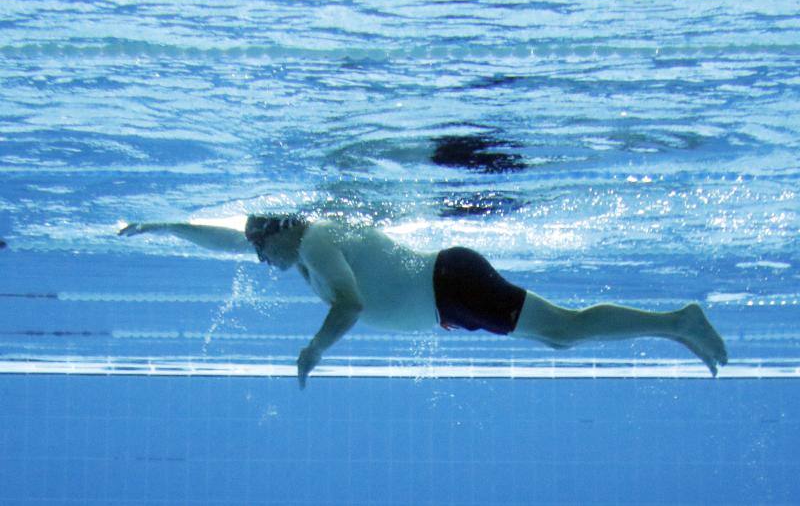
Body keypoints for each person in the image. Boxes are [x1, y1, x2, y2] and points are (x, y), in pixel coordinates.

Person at [119, 214, 728, 387]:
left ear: (278, 231)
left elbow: (351, 305)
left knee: (563, 333)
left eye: (259, 249)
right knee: (555, 335)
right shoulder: (295, 247)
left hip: (451, 286)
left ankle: (680, 320)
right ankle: (676, 324)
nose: (255, 260)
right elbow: (225, 238)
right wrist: (163, 227)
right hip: (448, 296)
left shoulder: (319, 242)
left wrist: (314, 350)